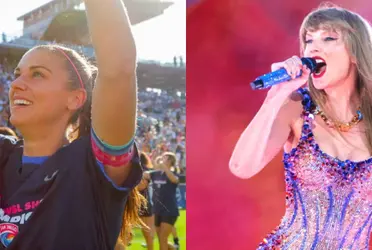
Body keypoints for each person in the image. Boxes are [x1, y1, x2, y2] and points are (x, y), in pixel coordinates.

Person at [0, 0, 144, 249]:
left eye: (37, 74)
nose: (16, 85)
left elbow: (119, 68)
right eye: (17, 75)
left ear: (76, 98)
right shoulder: (4, 155)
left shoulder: (92, 165)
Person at [229, 4, 372, 249]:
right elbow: (241, 167)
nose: (314, 47)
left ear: (356, 53)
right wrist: (276, 95)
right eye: (308, 40)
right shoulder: (296, 108)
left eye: (328, 38)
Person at [145, 153, 180, 250]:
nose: (162, 159)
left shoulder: (173, 173)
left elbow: (174, 180)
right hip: (157, 210)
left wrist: (164, 167)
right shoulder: (155, 173)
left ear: (170, 161)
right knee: (161, 238)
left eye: (165, 158)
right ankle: (174, 248)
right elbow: (145, 174)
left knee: (163, 237)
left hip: (169, 209)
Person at [138, 152, 155, 250]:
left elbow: (141, 186)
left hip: (144, 204)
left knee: (147, 234)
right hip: (137, 203)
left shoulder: (144, 170)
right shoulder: (137, 169)